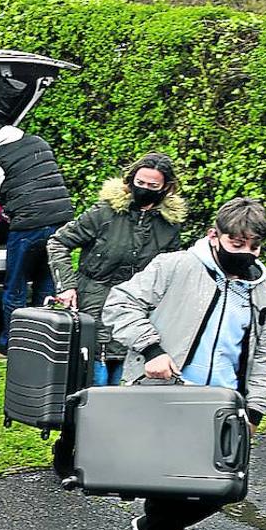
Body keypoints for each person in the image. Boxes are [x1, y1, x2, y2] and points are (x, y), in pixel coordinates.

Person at [103, 197, 266, 530]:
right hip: (164, 403)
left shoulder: (263, 294)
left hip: (222, 413)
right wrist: (151, 350)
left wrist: (255, 408)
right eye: (237, 242)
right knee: (168, 497)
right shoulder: (175, 267)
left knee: (223, 492)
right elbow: (119, 304)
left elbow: (265, 354)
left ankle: (149, 529)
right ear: (214, 236)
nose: (245, 252)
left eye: (254, 246)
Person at [46, 153, 187, 386]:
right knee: (93, 375)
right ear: (130, 181)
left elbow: (169, 271)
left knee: (126, 374)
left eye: (153, 186)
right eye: (140, 183)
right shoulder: (104, 213)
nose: (144, 189)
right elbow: (58, 242)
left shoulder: (168, 226)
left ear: (166, 188)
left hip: (137, 308)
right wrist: (67, 286)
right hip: (93, 300)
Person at [0, 120, 74, 360]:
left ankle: (9, 348)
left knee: (16, 288)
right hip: (61, 222)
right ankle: (41, 343)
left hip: (28, 227)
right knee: (46, 284)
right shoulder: (38, 142)